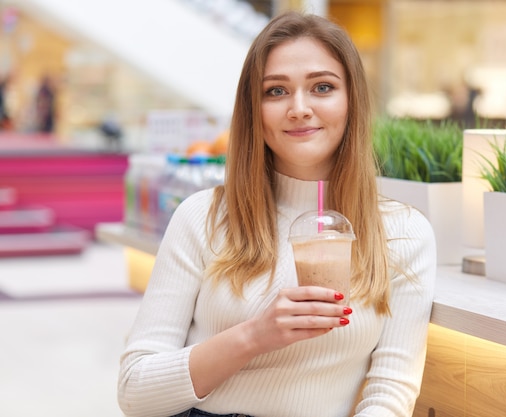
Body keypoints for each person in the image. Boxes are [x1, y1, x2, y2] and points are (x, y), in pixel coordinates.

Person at [118, 11, 436, 417]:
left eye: (323, 87)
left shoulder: (404, 232)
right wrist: (255, 335)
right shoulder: (202, 217)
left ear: (351, 100)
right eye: (276, 91)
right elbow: (135, 393)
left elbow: (388, 396)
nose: (299, 108)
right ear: (254, 109)